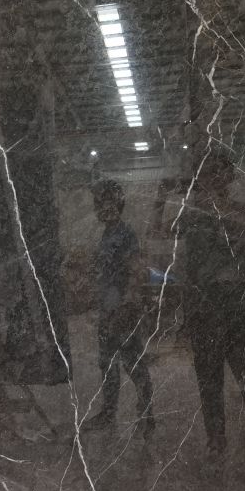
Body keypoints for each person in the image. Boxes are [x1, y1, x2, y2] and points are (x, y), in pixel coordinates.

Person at [179, 151, 245, 460]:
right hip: (204, 308)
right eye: (206, 173)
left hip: (238, 307)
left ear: (231, 176)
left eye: (219, 171)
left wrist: (218, 212)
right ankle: (216, 441)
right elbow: (159, 233)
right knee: (209, 383)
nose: (213, 178)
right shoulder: (192, 216)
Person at [86, 179, 155, 438]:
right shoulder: (108, 234)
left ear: (117, 204)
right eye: (97, 203)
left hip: (123, 310)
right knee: (107, 363)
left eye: (105, 202)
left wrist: (127, 306)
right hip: (108, 309)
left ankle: (147, 415)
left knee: (132, 362)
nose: (100, 208)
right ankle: (108, 413)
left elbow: (137, 271)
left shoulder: (125, 234)